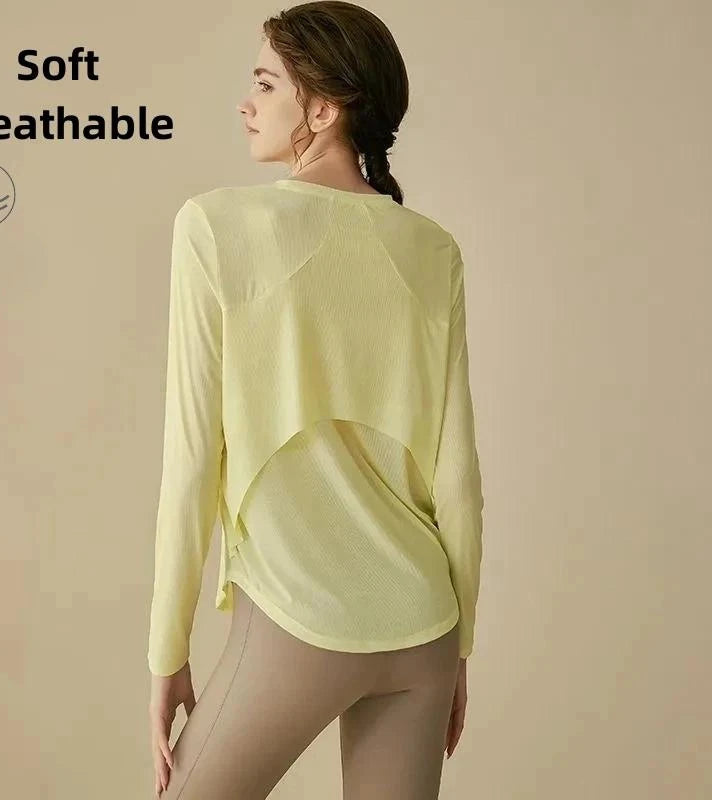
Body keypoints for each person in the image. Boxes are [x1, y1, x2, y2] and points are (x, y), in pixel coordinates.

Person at [147, 2, 485, 797]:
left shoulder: (215, 226)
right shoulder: (432, 249)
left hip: (298, 614)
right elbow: (459, 479)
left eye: (267, 84)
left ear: (325, 109)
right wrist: (460, 648)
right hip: (425, 628)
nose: (246, 103)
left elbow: (191, 460)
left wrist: (167, 653)